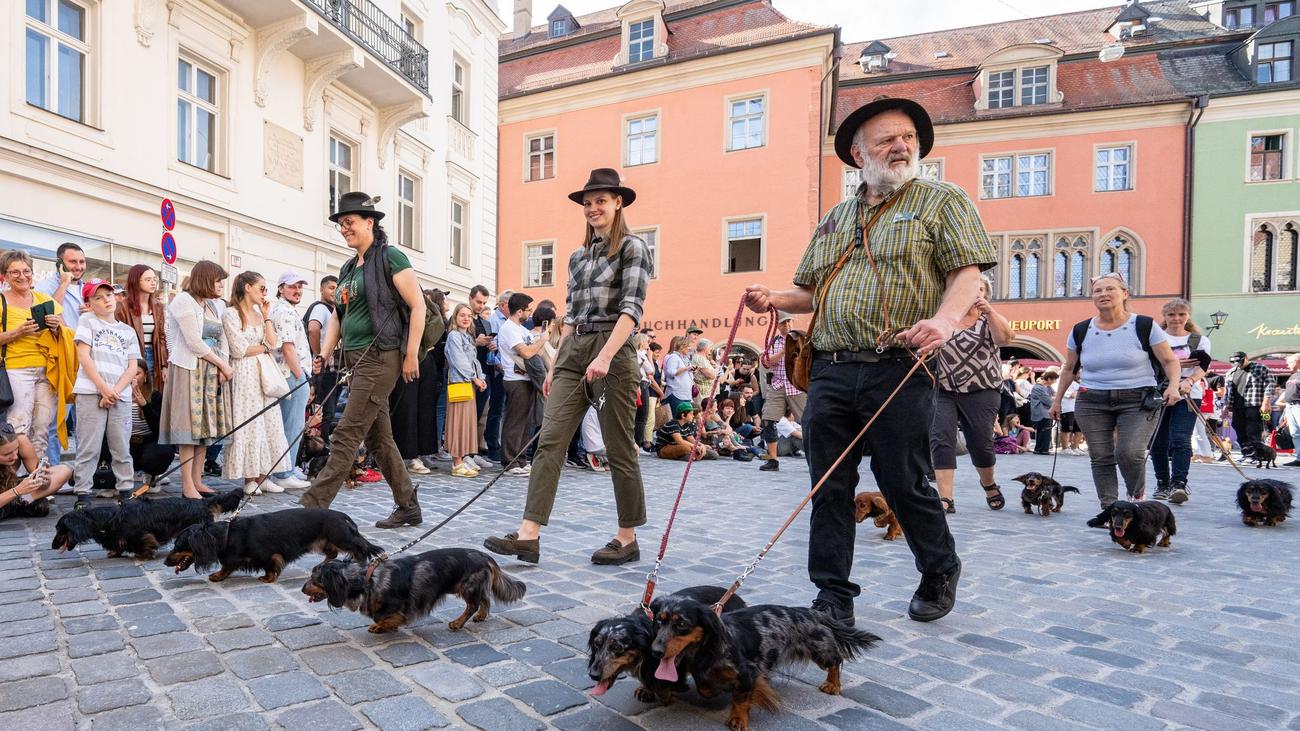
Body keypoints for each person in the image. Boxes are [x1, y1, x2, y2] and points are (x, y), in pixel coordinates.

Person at [744, 97, 996, 624]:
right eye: (886, 140)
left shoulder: (942, 199)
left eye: (908, 137)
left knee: (902, 480)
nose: (901, 146)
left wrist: (944, 321)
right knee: (828, 484)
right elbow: (809, 292)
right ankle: (833, 595)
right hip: (831, 367)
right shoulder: (836, 218)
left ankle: (939, 567)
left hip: (900, 366)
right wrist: (773, 298)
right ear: (859, 155)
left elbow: (967, 273)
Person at [483, 167, 650, 566]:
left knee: (618, 447)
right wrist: (557, 364)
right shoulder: (577, 256)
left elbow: (631, 309)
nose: (593, 208)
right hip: (574, 351)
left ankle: (627, 538)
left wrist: (605, 356)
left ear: (618, 203)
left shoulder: (633, 248)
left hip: (614, 348)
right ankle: (529, 535)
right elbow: (571, 316)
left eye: (601, 201)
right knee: (550, 441)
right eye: (587, 203)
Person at [299, 192, 427, 529]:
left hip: (380, 357)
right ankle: (408, 506)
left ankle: (308, 512)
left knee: (346, 433)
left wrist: (411, 354)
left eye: (349, 222)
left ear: (370, 222)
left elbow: (418, 305)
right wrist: (324, 352)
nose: (344, 228)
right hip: (354, 359)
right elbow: (338, 316)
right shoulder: (347, 267)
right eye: (341, 224)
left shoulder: (390, 257)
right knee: (378, 438)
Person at [1050, 273, 1181, 510]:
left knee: (1129, 452)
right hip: (1092, 400)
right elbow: (1069, 368)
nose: (1104, 294)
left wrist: (1173, 386)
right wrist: (1057, 401)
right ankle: (1110, 508)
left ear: (1124, 293)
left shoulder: (1144, 325)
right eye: (1098, 291)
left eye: (1110, 289)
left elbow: (1170, 361)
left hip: (1138, 399)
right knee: (1100, 456)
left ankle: (1136, 497)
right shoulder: (1081, 330)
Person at [929, 275, 1011, 513]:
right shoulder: (942, 319)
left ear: (986, 294)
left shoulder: (990, 320)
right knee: (941, 439)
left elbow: (1004, 339)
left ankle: (989, 484)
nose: (974, 293)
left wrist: (990, 312)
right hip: (942, 389)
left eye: (980, 289)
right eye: (968, 288)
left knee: (980, 442)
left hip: (982, 390)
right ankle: (946, 498)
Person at [160, 260, 233, 499]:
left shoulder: (212, 305)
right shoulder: (183, 301)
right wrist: (222, 364)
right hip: (189, 369)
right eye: (218, 280)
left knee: (203, 430)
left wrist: (222, 365)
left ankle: (198, 480)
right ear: (205, 279)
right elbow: (193, 342)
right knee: (189, 430)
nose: (221, 285)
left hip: (210, 369)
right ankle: (187, 485)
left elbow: (221, 338)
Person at [222, 272, 292, 494]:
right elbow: (239, 349)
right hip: (245, 373)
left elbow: (274, 342)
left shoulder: (260, 314)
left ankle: (264, 476)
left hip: (265, 373)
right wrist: (264, 348)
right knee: (250, 422)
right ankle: (249, 478)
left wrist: (267, 316)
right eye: (261, 288)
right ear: (247, 287)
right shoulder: (231, 313)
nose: (264, 293)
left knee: (270, 422)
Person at [0, 250, 73, 463]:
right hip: (16, 369)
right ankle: (14, 478)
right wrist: (16, 333)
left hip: (48, 370)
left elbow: (67, 333)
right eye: (15, 272)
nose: (22, 276)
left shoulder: (44, 299)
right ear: (5, 276)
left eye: (26, 271)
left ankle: (36, 476)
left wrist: (56, 327)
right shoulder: (2, 301)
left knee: (42, 428)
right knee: (18, 427)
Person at [71, 280, 140, 502]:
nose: (105, 300)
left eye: (108, 295)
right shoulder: (87, 321)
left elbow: (132, 367)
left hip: (120, 396)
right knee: (88, 446)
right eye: (98, 298)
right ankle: (83, 494)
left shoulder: (128, 331)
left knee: (121, 446)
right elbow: (84, 356)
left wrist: (114, 392)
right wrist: (103, 388)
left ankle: (125, 491)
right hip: (91, 392)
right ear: (89, 303)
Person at [1150, 298, 1210, 503]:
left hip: (1188, 394)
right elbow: (1151, 364)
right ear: (1165, 316)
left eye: (1181, 314)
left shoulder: (1199, 340)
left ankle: (1179, 484)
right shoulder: (1156, 337)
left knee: (1181, 439)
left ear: (1188, 316)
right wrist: (1177, 364)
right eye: (1172, 314)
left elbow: (1203, 366)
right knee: (1158, 439)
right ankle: (1162, 482)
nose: (1176, 318)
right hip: (1159, 392)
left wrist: (1190, 380)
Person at [36, 242, 86, 464]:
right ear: (60, 263)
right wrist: (64, 283)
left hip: (85, 361)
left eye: (82, 261)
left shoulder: (89, 288)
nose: (78, 266)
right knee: (55, 422)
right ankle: (54, 472)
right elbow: (50, 314)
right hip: (61, 361)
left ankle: (83, 474)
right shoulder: (45, 286)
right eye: (72, 261)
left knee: (85, 423)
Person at [268, 272, 313, 489]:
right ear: (281, 288)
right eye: (292, 287)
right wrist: (301, 376)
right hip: (292, 374)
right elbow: (288, 348)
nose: (297, 291)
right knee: (292, 426)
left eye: (300, 287)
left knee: (288, 425)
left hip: (288, 374)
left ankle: (285, 469)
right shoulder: (284, 312)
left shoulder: (282, 309)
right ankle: (284, 472)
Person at [497, 292, 549, 475]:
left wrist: (540, 344)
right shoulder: (509, 328)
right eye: (528, 310)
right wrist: (542, 340)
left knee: (526, 422)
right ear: (519, 311)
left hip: (527, 379)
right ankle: (510, 462)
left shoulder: (522, 330)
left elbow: (538, 352)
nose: (530, 313)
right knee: (515, 422)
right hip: (515, 379)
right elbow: (526, 353)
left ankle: (520, 459)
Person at [759, 313, 806, 472]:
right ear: (777, 326)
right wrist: (783, 352)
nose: (787, 325)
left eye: (788, 322)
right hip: (778, 384)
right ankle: (773, 460)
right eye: (783, 323)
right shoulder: (773, 342)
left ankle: (817, 457)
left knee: (808, 420)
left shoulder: (800, 338)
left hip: (796, 385)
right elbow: (766, 363)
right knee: (768, 420)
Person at [445, 304, 487, 477]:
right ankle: (456, 463)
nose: (466, 318)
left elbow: (474, 361)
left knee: (466, 423)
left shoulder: (468, 337)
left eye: (469, 316)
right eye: (462, 315)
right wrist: (474, 378)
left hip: (469, 383)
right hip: (460, 383)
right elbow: (459, 361)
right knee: (458, 423)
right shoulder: (454, 336)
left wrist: (481, 377)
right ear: (455, 317)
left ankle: (462, 460)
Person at [0, 420, 71, 520]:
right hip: (9, 496)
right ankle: (19, 504)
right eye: (6, 454)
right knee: (39, 505)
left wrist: (44, 481)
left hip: (14, 492)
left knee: (64, 470)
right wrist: (17, 491)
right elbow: (19, 490)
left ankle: (21, 502)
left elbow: (39, 481)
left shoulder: (21, 441)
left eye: (15, 449)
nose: (14, 456)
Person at [115, 264, 169, 393]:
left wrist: (164, 365)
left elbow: (161, 337)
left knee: (152, 395)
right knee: (133, 394)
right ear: (136, 281)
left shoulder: (158, 306)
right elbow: (118, 338)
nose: (153, 283)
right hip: (133, 357)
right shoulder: (123, 307)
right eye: (148, 279)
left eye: (154, 279)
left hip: (154, 356)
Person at [128, 359, 175, 489]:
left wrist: (144, 405)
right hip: (126, 443)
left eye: (137, 374)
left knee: (162, 451)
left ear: (145, 377)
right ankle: (112, 478)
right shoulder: (119, 394)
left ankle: (152, 476)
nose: (132, 377)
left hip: (148, 443)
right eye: (129, 373)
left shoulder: (155, 396)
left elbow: (160, 429)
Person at [305, 274, 339, 441]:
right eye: (331, 288)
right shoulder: (320, 308)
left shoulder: (332, 310)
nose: (334, 291)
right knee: (325, 412)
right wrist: (320, 356)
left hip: (330, 370)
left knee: (328, 411)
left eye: (337, 289)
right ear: (321, 289)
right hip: (323, 370)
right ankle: (321, 447)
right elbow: (313, 329)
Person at [1224, 351, 1273, 462]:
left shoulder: (1260, 368)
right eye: (1234, 361)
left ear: (1246, 358)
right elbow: (1228, 391)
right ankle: (1247, 453)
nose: (1237, 363)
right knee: (1238, 428)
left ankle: (1255, 455)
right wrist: (1226, 407)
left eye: (1239, 361)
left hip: (1254, 404)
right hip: (1237, 405)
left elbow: (1269, 385)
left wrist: (1266, 402)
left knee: (1253, 430)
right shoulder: (1231, 372)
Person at [661, 335, 694, 413]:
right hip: (676, 394)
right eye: (688, 346)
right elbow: (671, 372)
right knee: (676, 417)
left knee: (685, 417)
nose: (689, 348)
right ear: (682, 347)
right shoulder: (673, 357)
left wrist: (691, 370)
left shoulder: (685, 359)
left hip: (685, 394)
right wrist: (687, 368)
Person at [1278, 354, 1300, 467]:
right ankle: (1299, 458)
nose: (1287, 365)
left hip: (1298, 405)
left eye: (1289, 362)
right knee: (1295, 433)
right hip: (1290, 406)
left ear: (1297, 361)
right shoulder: (1293, 376)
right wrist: (1287, 411)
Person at [1029, 371, 1058, 455]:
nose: (1055, 382)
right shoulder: (1038, 388)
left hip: (1046, 412)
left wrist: (1053, 398)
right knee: (1044, 432)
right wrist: (1053, 398)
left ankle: (1040, 449)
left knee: (1045, 431)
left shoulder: (1048, 387)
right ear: (1049, 379)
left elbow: (1055, 395)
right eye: (1054, 379)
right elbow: (1048, 401)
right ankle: (1042, 449)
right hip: (1041, 413)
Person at [690, 339, 717, 409]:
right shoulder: (700, 358)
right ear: (706, 348)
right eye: (710, 347)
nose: (711, 349)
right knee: (703, 409)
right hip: (702, 392)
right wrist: (717, 370)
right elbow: (710, 375)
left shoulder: (702, 358)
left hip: (706, 391)